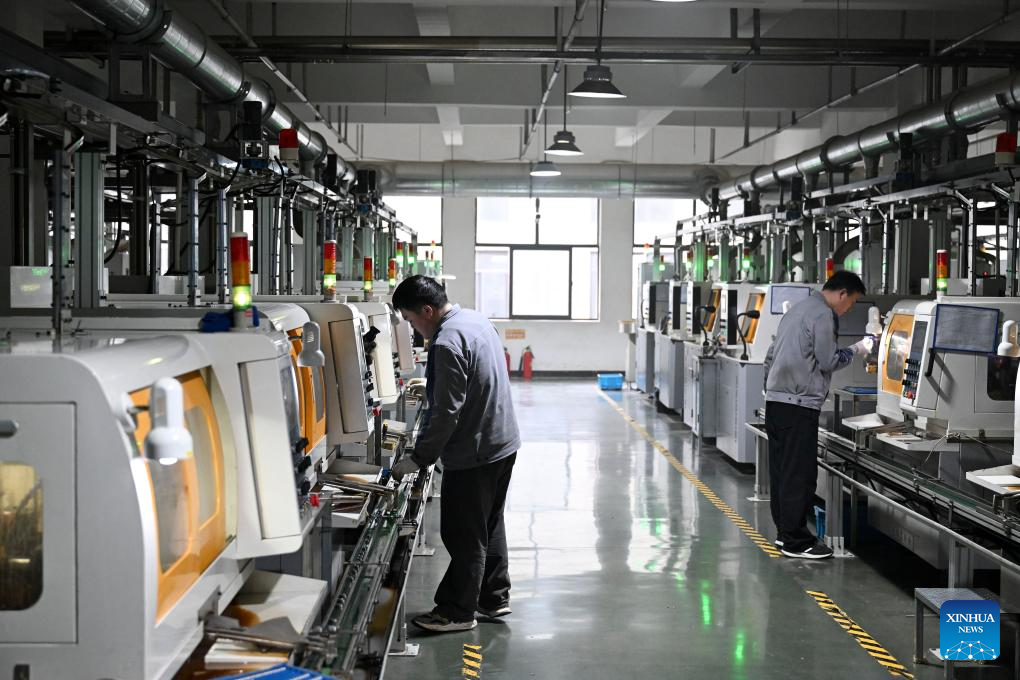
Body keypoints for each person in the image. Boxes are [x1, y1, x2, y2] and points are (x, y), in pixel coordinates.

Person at [389, 275, 521, 632]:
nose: (413, 329)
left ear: (426, 311)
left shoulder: (446, 342)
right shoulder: (476, 320)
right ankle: (493, 598)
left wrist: (419, 457)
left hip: (474, 452)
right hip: (502, 441)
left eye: (411, 320)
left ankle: (457, 612)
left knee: (463, 533)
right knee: (489, 523)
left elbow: (447, 413)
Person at [763, 271, 873, 560]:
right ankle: (797, 542)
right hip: (799, 406)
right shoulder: (824, 314)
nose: (849, 308)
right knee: (799, 475)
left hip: (776, 402)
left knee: (782, 473)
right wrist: (858, 348)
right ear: (842, 294)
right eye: (852, 302)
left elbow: (770, 356)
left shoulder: (796, 310)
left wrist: (773, 389)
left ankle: (785, 534)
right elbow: (828, 360)